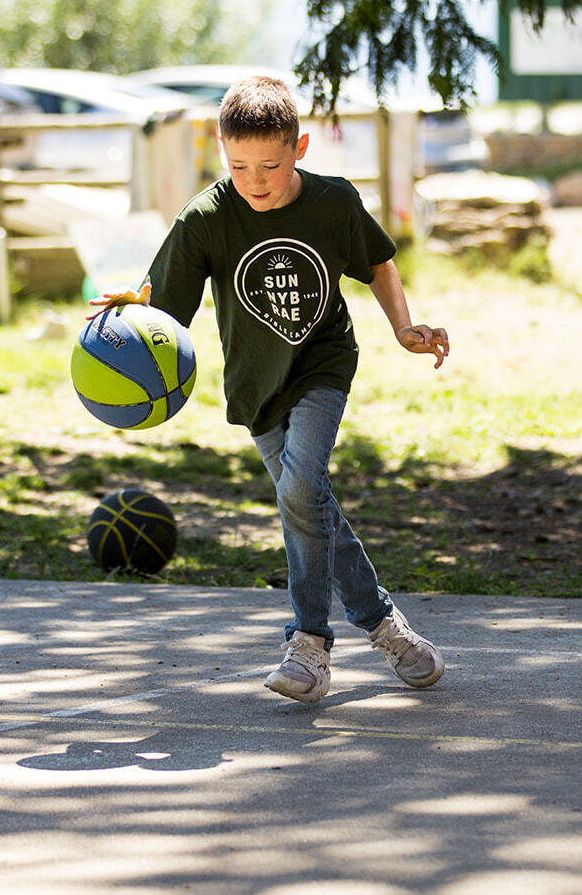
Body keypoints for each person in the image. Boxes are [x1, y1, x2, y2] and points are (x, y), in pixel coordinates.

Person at [89, 75, 450, 705]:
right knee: (308, 503)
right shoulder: (206, 217)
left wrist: (403, 328)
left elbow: (378, 263)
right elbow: (164, 307)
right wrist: (131, 320)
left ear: (301, 146)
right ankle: (387, 627)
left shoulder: (333, 204)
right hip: (257, 385)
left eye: (271, 165)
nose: (255, 180)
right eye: (238, 165)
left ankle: (309, 644)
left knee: (302, 487)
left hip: (323, 364)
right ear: (221, 154)